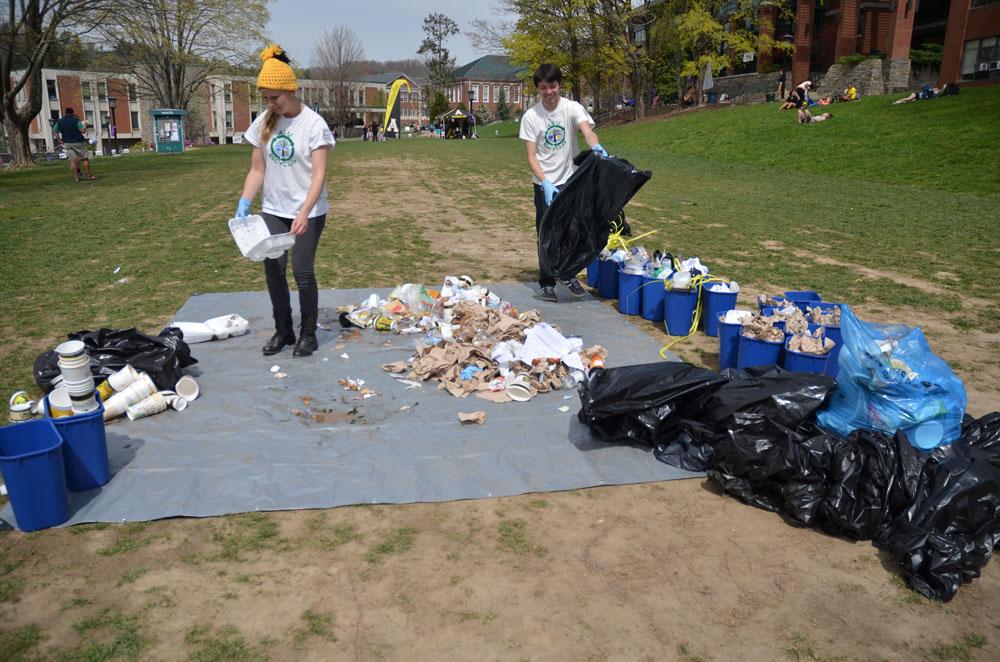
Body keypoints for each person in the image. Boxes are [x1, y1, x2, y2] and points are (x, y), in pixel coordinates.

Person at [235, 45, 335, 357]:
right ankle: (284, 331)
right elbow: (257, 169)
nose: (270, 103)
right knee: (274, 271)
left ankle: (308, 332)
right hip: (273, 211)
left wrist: (304, 213)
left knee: (302, 273)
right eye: (265, 97)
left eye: (275, 97)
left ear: (290, 90)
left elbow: (318, 176)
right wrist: (244, 202)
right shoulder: (264, 122)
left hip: (308, 211)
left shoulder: (313, 124)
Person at [520, 63, 607, 302]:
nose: (549, 92)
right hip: (544, 184)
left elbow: (586, 129)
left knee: (572, 231)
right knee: (547, 233)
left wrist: (595, 146)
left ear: (560, 85)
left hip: (571, 181)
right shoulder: (531, 116)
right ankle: (547, 282)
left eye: (553, 86)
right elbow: (531, 155)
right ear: (539, 89)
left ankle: (568, 275)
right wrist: (545, 182)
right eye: (544, 88)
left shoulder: (572, 108)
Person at [52, 108, 95, 181]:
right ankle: (89, 176)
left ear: (65, 113)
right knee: (84, 159)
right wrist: (85, 126)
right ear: (72, 113)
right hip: (79, 142)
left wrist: (59, 140)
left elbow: (55, 131)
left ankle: (76, 177)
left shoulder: (60, 121)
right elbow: (82, 131)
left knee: (73, 160)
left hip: (67, 143)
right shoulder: (76, 121)